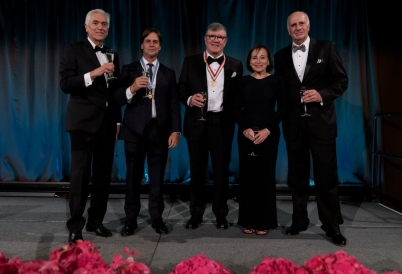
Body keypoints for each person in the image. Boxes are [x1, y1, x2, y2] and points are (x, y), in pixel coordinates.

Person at [274, 11, 349, 246]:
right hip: (294, 126)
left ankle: (332, 225)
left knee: (326, 177)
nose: (297, 28)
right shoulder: (280, 56)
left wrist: (321, 94)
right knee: (297, 178)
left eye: (301, 24)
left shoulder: (326, 48)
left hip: (321, 125)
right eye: (293, 25)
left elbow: (341, 81)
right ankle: (299, 220)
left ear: (308, 25)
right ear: (288, 30)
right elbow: (281, 92)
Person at [59, 9, 121, 244]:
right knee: (80, 177)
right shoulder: (73, 49)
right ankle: (76, 226)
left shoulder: (112, 53)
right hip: (83, 124)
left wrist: (117, 121)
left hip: (106, 125)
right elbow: (65, 84)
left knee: (103, 177)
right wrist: (94, 73)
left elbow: (114, 93)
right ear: (86, 26)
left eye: (104, 24)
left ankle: (96, 221)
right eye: (95, 23)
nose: (100, 27)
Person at [114, 28, 181, 236]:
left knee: (157, 177)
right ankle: (130, 219)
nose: (152, 45)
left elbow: (173, 104)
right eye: (148, 41)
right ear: (142, 45)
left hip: (159, 131)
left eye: (155, 42)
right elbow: (116, 98)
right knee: (133, 178)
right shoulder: (128, 69)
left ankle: (156, 217)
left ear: (160, 47)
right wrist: (132, 88)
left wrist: (175, 130)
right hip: (134, 131)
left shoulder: (168, 73)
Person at [178, 22, 243, 230]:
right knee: (196, 171)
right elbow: (180, 89)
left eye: (220, 37)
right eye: (212, 36)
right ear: (205, 39)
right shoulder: (190, 62)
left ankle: (221, 214)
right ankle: (195, 214)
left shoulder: (235, 65)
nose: (216, 40)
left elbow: (239, 98)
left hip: (222, 125)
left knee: (221, 172)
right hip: (197, 123)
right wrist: (189, 99)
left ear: (226, 41)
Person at [235, 44, 285, 236]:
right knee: (247, 179)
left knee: (265, 178)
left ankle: (264, 221)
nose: (258, 61)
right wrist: (244, 129)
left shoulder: (277, 81)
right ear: (249, 61)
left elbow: (282, 109)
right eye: (254, 57)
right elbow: (235, 108)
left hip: (269, 134)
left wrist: (268, 130)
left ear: (269, 61)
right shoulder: (242, 82)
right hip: (247, 134)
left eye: (262, 57)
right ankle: (248, 220)